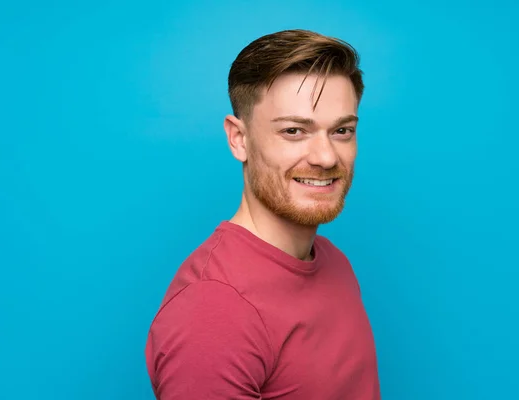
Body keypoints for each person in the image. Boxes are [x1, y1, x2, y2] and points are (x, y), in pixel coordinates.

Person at [145, 29, 381, 399]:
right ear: (239, 139)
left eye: (341, 130)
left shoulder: (334, 262)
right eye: (293, 130)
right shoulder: (214, 310)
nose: (326, 157)